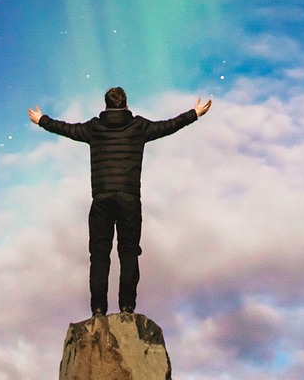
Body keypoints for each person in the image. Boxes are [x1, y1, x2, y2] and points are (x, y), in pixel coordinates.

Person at [28, 86, 211, 316]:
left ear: (106, 105)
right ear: (126, 104)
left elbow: (66, 129)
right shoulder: (138, 126)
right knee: (129, 252)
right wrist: (194, 113)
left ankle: (97, 309)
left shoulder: (94, 128)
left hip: (102, 199)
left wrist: (42, 120)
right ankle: (127, 306)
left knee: (99, 255)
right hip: (129, 199)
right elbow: (168, 125)